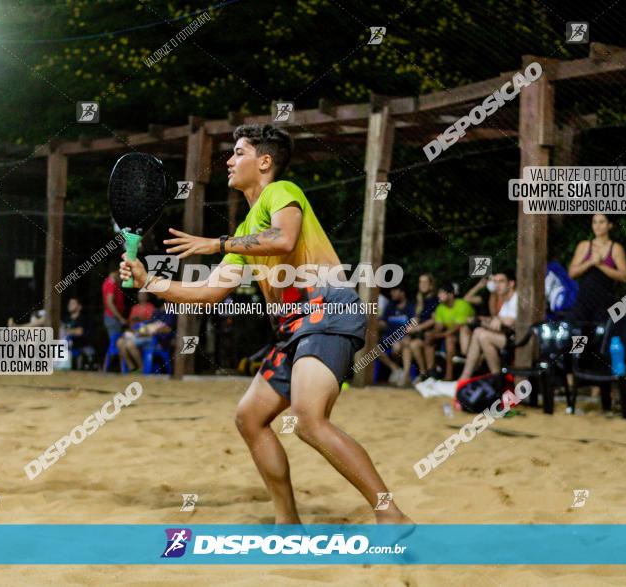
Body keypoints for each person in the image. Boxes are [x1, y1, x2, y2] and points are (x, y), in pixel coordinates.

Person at [119, 123, 411, 525]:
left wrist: (216, 244)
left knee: (309, 421)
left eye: (238, 152)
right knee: (249, 418)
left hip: (327, 310)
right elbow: (208, 292)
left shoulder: (281, 192)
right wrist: (148, 281)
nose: (229, 160)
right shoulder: (244, 230)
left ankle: (390, 514)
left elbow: (284, 239)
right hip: (296, 329)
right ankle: (287, 521)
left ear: (265, 161)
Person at [567, 214, 626, 324]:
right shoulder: (584, 246)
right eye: (594, 222)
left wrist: (600, 265)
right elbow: (572, 273)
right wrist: (590, 262)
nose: (597, 226)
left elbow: (624, 276)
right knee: (579, 338)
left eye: (601, 222)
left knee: (599, 337)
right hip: (584, 301)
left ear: (609, 225)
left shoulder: (615, 248)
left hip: (604, 302)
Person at [458, 270, 518, 381]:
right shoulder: (506, 301)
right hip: (509, 337)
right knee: (478, 332)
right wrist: (482, 320)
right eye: (495, 282)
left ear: (511, 283)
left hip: (521, 340)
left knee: (483, 336)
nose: (497, 285)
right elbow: (498, 321)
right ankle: (464, 378)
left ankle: (497, 380)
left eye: (501, 281)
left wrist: (495, 320)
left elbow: (509, 322)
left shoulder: (517, 298)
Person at [425, 282, 474, 380]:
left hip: (467, 336)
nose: (439, 295)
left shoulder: (461, 304)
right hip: (450, 335)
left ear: (451, 295)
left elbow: (457, 327)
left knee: (449, 339)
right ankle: (430, 373)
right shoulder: (440, 308)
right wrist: (433, 334)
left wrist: (440, 335)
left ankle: (449, 375)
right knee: (429, 337)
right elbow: (438, 327)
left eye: (442, 293)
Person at [376, 285, 416, 386]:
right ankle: (395, 369)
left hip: (404, 339)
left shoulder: (410, 306)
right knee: (372, 347)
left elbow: (413, 325)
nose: (391, 293)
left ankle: (405, 376)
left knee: (399, 346)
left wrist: (406, 336)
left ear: (402, 293)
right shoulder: (390, 306)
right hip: (388, 339)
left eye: (395, 291)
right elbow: (383, 323)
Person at [407, 273, 439, 382]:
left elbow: (434, 320)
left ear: (431, 285)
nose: (422, 284)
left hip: (433, 333)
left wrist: (417, 328)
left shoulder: (435, 299)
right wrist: (413, 324)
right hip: (420, 333)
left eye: (425, 282)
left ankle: (430, 373)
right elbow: (417, 317)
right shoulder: (420, 299)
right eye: (420, 282)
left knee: (420, 343)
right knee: (411, 344)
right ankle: (423, 373)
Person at [102, 267, 127, 341]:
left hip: (111, 318)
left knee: (115, 344)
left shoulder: (108, 282)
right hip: (113, 318)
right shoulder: (111, 283)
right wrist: (120, 318)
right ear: (116, 271)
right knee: (116, 344)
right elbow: (109, 302)